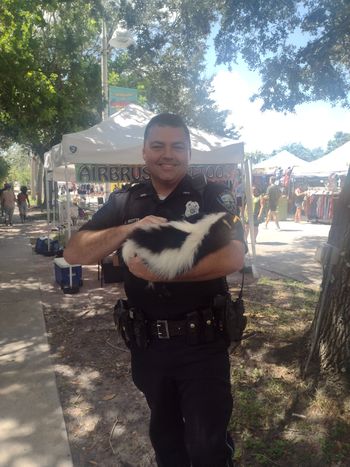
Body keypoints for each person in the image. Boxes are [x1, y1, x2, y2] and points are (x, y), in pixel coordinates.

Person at [64, 113, 246, 467]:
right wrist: (128, 228)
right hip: (148, 345)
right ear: (144, 153)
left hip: (203, 344)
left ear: (189, 153)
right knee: (166, 443)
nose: (168, 154)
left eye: (178, 146)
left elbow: (234, 255)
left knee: (207, 446)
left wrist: (163, 272)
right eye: (158, 146)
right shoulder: (126, 201)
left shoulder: (212, 195)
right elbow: (74, 251)